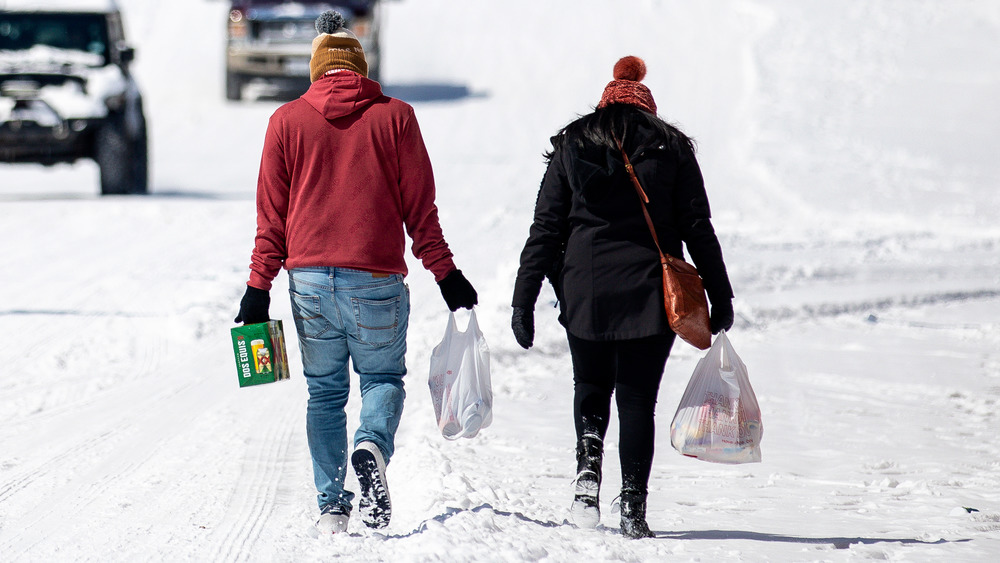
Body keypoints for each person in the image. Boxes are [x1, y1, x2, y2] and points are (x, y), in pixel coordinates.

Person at [234, 11, 478, 534]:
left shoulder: (285, 122)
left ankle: (331, 509)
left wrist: (257, 288)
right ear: (361, 69)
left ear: (316, 69)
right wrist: (446, 274)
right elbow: (421, 210)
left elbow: (270, 219)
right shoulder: (397, 117)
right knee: (382, 378)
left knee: (324, 393)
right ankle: (371, 444)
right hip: (376, 281)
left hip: (310, 284)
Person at [510, 56, 734, 539]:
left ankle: (586, 483)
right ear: (647, 106)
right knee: (637, 400)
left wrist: (522, 299)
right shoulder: (671, 147)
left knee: (590, 386)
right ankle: (633, 506)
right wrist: (719, 293)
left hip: (585, 289)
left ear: (605, 101)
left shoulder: (572, 143)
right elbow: (698, 226)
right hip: (650, 293)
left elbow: (546, 228)